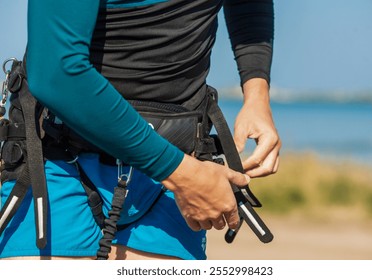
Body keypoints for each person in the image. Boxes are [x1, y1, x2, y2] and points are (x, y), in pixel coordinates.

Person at [0, 0, 280, 260]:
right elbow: (56, 73)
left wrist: (257, 94)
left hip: (173, 156)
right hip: (57, 156)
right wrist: (183, 175)